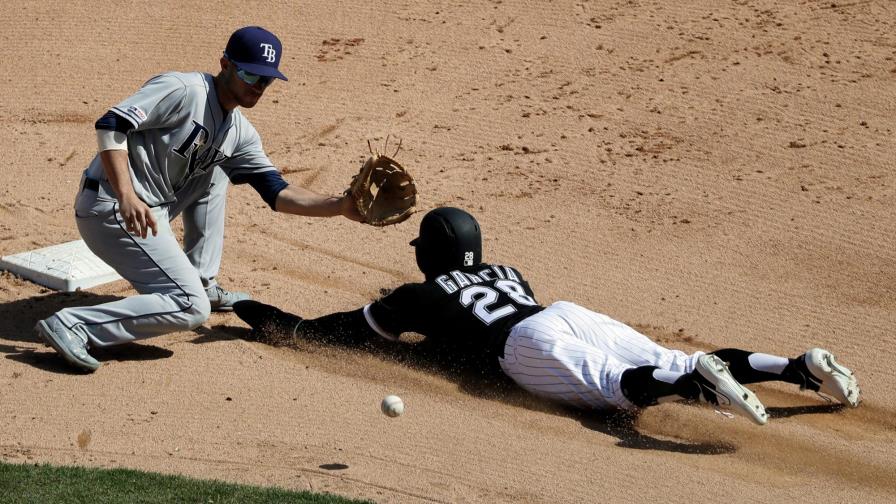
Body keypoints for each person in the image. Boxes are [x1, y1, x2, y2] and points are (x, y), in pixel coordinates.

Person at [233, 207, 861, 425]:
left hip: (526, 344)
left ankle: (695, 385)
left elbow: (332, 332)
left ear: (429, 253)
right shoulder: (509, 272)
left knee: (619, 391)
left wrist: (251, 309)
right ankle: (795, 367)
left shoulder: (422, 296)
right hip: (564, 312)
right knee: (667, 356)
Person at [35, 26, 363, 372]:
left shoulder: (239, 132)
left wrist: (339, 206)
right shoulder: (184, 90)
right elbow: (111, 124)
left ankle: (202, 282)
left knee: (217, 167)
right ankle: (75, 324)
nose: (257, 86)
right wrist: (126, 194)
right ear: (225, 64)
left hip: (153, 212)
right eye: (250, 74)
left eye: (266, 80)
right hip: (113, 208)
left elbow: (277, 192)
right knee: (190, 307)